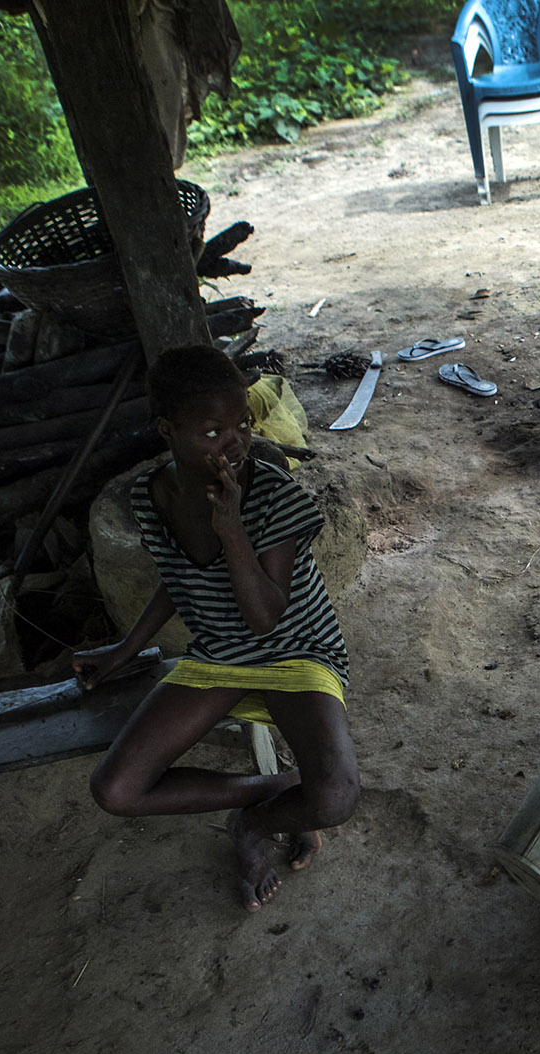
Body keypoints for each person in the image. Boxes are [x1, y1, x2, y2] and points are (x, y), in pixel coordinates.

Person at [74, 345, 359, 910]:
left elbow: (266, 616)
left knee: (335, 800)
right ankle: (275, 793)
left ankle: (253, 826)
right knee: (116, 790)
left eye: (242, 426)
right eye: (211, 431)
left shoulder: (272, 492)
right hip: (220, 655)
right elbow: (177, 579)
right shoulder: (149, 495)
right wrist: (124, 650)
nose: (234, 444)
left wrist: (231, 530)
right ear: (167, 430)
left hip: (296, 649)